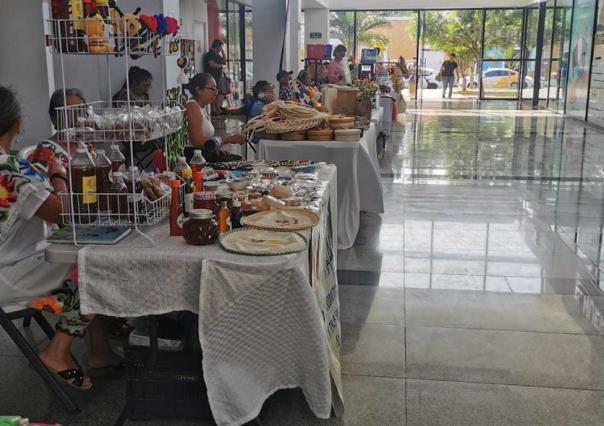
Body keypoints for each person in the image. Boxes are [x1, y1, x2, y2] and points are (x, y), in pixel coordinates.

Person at [0, 86, 112, 390]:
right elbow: (61, 212)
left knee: (88, 258)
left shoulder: (12, 166)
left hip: (17, 262)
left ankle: (100, 345)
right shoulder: (10, 170)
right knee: (97, 266)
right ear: (18, 122)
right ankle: (57, 351)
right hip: (10, 273)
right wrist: (59, 176)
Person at [27, 88, 94, 174]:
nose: (79, 117)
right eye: (72, 111)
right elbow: (40, 184)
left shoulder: (85, 144)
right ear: (56, 116)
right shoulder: (46, 149)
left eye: (82, 111)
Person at [184, 73, 246, 162]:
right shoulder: (192, 107)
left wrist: (214, 148)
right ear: (199, 90)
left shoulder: (201, 107)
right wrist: (228, 139)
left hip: (203, 154)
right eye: (212, 88)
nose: (216, 92)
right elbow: (197, 141)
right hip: (195, 159)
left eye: (216, 89)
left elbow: (205, 140)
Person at [203, 40, 227, 114]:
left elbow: (224, 62)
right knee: (213, 93)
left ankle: (218, 109)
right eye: (220, 47)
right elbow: (211, 64)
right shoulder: (210, 54)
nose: (221, 49)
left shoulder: (217, 54)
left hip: (217, 77)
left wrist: (223, 53)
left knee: (217, 93)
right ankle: (214, 110)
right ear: (217, 46)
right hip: (211, 77)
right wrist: (221, 66)